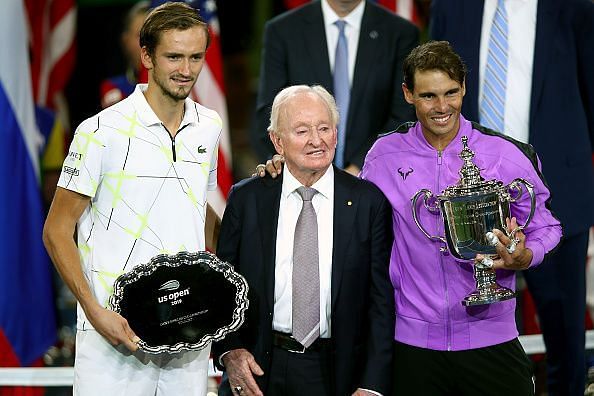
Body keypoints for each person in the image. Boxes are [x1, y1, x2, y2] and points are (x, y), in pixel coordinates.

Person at [42, 3, 221, 395]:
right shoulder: (99, 131)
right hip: (113, 339)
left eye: (195, 57)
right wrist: (94, 311)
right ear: (146, 56)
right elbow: (57, 230)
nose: (186, 70)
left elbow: (195, 204)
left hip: (187, 338)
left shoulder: (208, 126)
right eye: (173, 56)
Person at [430, 2, 594, 394]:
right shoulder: (451, 8)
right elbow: (434, 97)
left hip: (557, 199)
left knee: (563, 341)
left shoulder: (576, 10)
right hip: (462, 205)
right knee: (468, 342)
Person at [213, 85, 395, 396]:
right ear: (277, 141)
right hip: (259, 369)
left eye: (324, 128)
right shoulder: (247, 199)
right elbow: (222, 289)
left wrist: (372, 384)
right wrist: (230, 352)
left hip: (339, 375)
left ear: (336, 134)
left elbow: (381, 301)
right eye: (301, 130)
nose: (316, 140)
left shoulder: (368, 202)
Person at [251, 0, 419, 175]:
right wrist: (293, 165)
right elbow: (270, 112)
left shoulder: (400, 33)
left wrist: (357, 169)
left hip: (372, 178)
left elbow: (403, 114)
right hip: (300, 176)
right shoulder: (282, 30)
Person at [100, 1, 149, 109]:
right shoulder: (114, 87)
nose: (148, 44)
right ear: (125, 40)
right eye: (140, 36)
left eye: (154, 36)